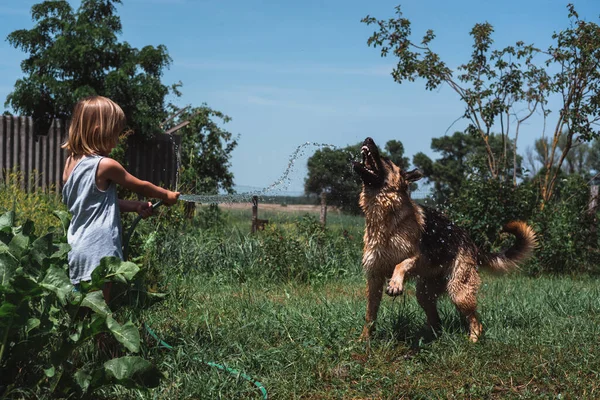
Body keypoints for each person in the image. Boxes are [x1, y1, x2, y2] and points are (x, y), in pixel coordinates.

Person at [61, 96, 180, 301]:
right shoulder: (105, 165)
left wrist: (135, 206)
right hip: (98, 249)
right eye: (115, 134)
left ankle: (77, 332)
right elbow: (140, 185)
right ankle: (100, 335)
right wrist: (166, 195)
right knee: (100, 309)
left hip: (77, 247)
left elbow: (95, 204)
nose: (117, 140)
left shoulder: (70, 164)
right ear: (99, 132)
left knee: (82, 306)